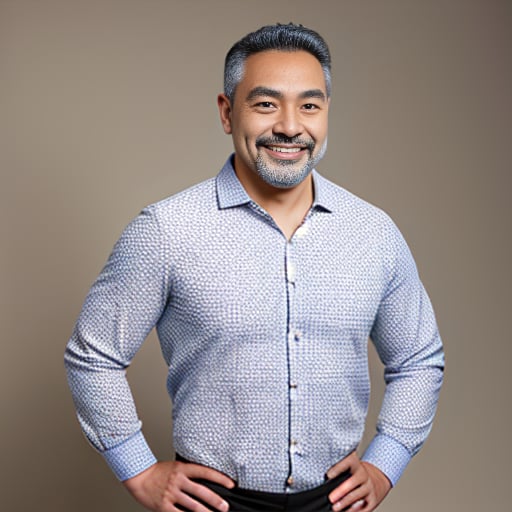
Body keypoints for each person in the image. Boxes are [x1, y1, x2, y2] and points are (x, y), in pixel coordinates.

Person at [65, 23, 444, 512]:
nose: (290, 126)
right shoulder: (166, 230)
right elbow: (92, 356)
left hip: (334, 503)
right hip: (213, 504)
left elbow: (419, 360)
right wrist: (137, 469)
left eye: (310, 105)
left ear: (327, 112)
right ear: (227, 112)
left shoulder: (374, 234)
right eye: (266, 104)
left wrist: (385, 463)